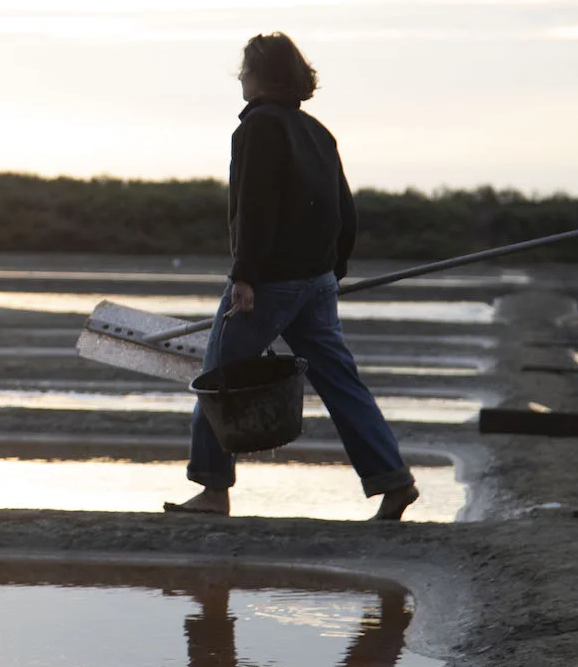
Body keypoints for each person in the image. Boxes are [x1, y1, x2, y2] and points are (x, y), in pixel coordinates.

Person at [166, 32, 419, 521]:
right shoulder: (317, 132)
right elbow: (343, 210)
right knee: (342, 383)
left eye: (245, 68)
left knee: (217, 376)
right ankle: (393, 479)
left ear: (262, 74)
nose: (240, 76)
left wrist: (245, 276)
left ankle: (213, 490)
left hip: (270, 283)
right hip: (316, 282)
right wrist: (333, 271)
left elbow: (255, 211)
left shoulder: (257, 129)